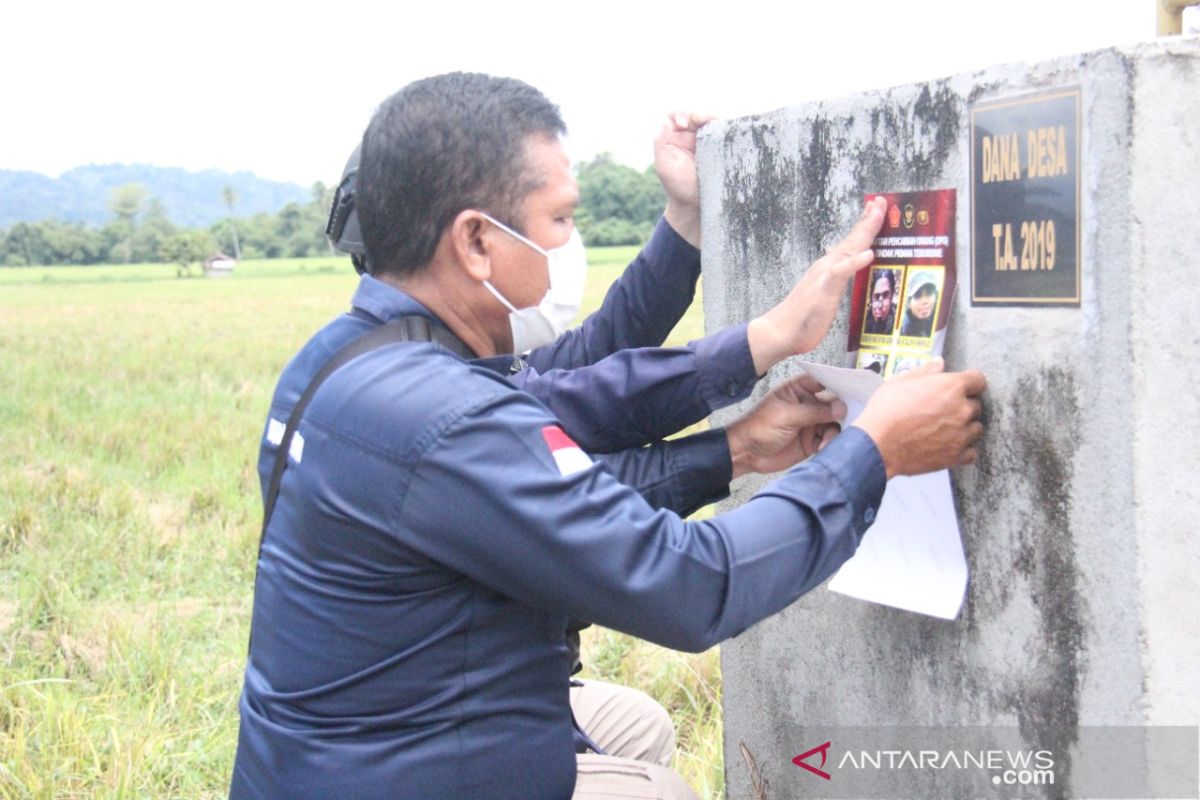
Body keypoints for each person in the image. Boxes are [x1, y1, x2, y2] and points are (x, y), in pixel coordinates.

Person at [231, 72, 986, 800]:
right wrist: (874, 453)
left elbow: (569, 409)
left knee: (633, 725)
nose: (568, 243)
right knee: (658, 789)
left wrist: (741, 441)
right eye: (559, 219)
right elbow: (692, 586)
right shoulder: (441, 415)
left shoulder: (353, 359)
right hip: (397, 765)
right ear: (475, 243)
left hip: (350, 747)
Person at [900, 271, 939, 338]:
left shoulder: (941, 319)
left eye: (929, 293)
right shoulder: (904, 332)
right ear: (908, 303)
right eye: (917, 295)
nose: (924, 301)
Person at [863, 268, 899, 334]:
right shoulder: (863, 319)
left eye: (885, 296)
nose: (880, 305)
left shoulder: (898, 322)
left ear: (891, 297)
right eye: (876, 296)